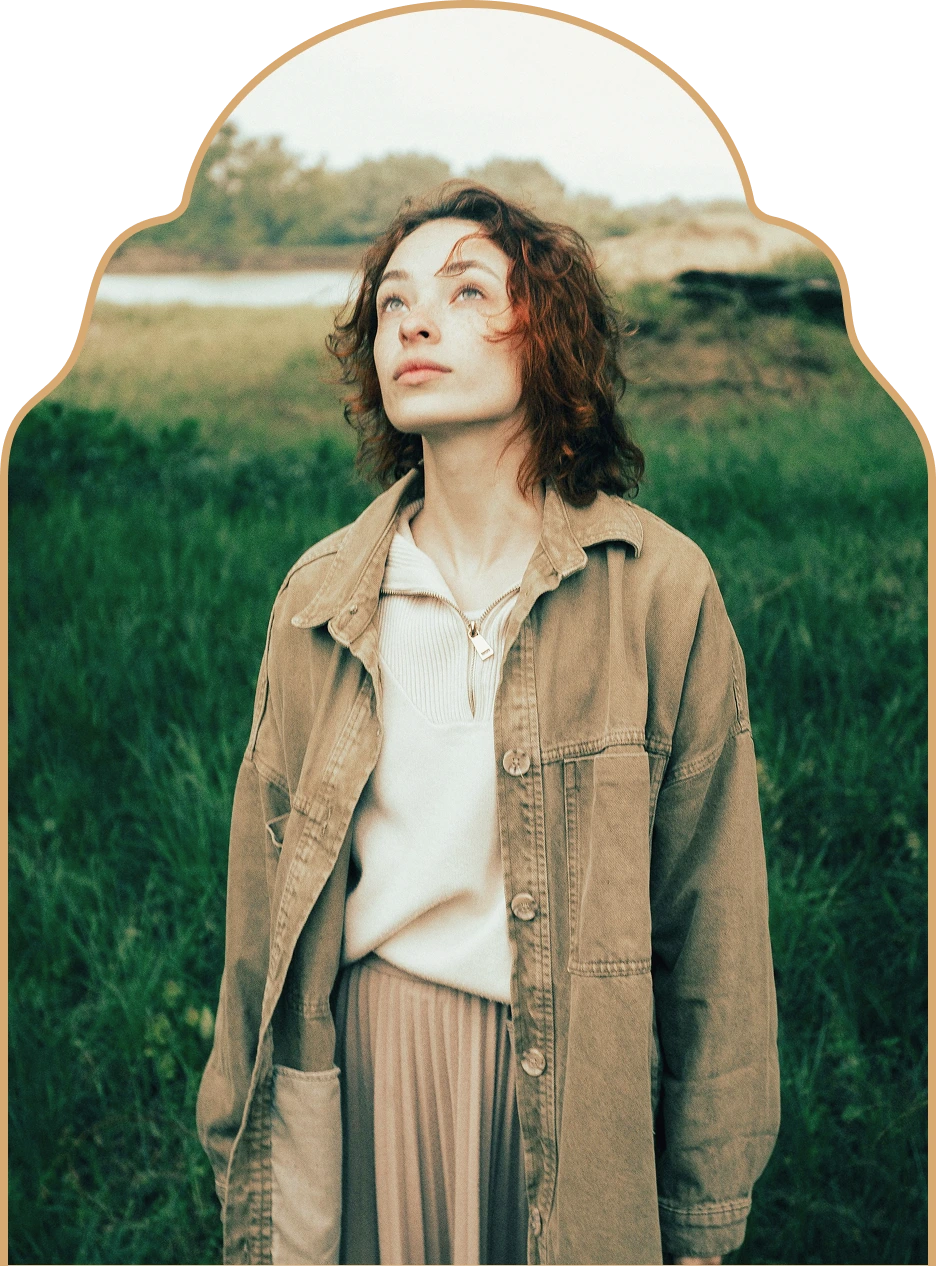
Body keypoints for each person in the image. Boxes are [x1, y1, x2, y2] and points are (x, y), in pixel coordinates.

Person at [196, 184, 780, 1266]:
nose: (414, 323)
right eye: (392, 305)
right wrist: (244, 1135)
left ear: (546, 334)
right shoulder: (320, 596)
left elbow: (716, 918)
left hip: (574, 1085)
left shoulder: (658, 588)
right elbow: (257, 904)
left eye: (466, 291)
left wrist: (702, 1203)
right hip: (366, 1064)